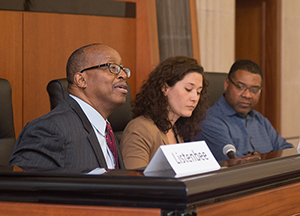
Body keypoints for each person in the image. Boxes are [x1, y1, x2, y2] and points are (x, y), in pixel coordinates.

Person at [9, 43, 130, 173]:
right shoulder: (49, 129)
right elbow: (29, 189)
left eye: (123, 69)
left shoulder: (106, 130)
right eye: (112, 67)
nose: (123, 74)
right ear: (81, 80)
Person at [195, 59, 293, 161]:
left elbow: (286, 152)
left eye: (254, 90)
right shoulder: (209, 121)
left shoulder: (260, 120)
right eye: (240, 87)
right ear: (226, 84)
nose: (247, 95)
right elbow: (238, 165)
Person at [120, 56, 208, 169]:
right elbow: (136, 181)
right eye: (188, 89)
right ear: (165, 88)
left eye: (199, 92)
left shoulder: (176, 130)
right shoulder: (139, 129)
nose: (195, 98)